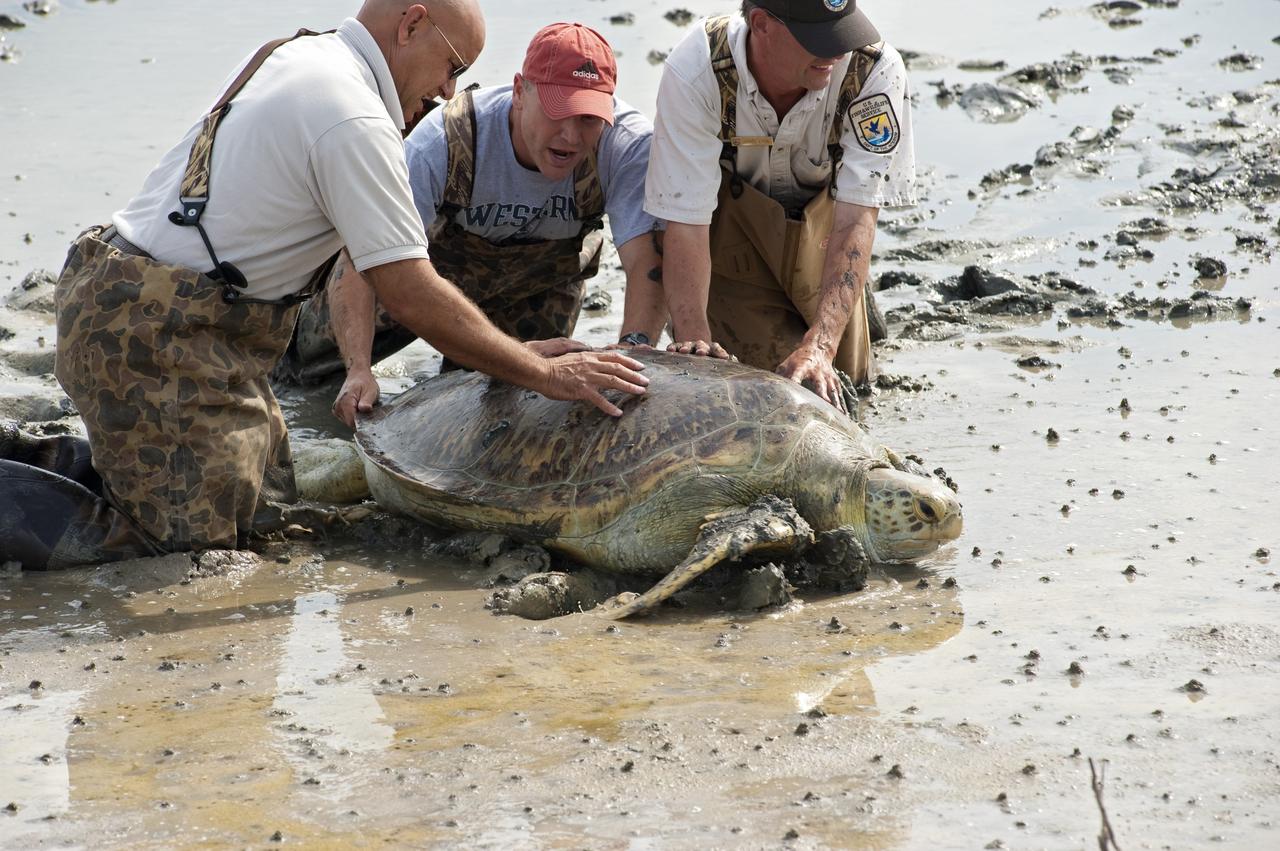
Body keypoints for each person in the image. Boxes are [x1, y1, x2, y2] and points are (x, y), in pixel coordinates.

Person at [0, 0, 648, 570]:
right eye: (452, 67)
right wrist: (543, 375)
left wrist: (518, 354)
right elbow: (407, 288)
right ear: (412, 23)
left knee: (264, 509)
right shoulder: (355, 117)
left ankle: (31, 455)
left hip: (166, 308)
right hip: (159, 329)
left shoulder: (299, 53)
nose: (451, 93)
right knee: (181, 548)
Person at [279, 22, 666, 429]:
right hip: (425, 281)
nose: (570, 135)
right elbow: (362, 259)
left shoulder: (626, 146)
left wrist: (632, 353)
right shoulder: (444, 140)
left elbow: (647, 262)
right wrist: (358, 368)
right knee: (308, 375)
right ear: (520, 91)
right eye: (557, 111)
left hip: (536, 289)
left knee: (509, 410)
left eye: (588, 118)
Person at [644, 0, 916, 411]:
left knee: (846, 389)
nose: (837, 52)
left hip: (826, 228)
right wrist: (695, 348)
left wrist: (821, 346)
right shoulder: (698, 69)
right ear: (761, 24)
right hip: (731, 234)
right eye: (818, 39)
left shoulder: (872, 71)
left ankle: (846, 305)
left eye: (842, 33)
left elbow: (858, 216)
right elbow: (684, 220)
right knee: (758, 394)